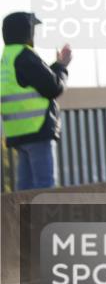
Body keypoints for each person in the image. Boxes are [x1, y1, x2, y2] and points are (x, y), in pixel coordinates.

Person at [1, 12, 71, 190]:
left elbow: (33, 80)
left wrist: (56, 65)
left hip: (18, 132)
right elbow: (53, 87)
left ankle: (21, 218)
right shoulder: (25, 56)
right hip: (37, 129)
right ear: (27, 32)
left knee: (25, 188)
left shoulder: (7, 58)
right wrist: (62, 66)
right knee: (44, 186)